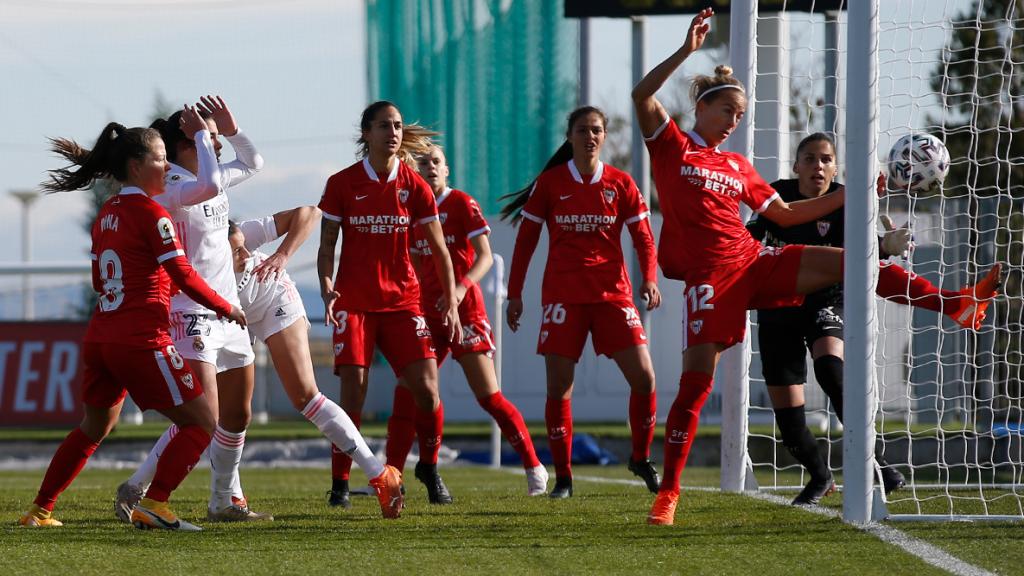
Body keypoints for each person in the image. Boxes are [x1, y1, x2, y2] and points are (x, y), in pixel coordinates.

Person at [632, 8, 1001, 525]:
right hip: (709, 280)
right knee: (695, 386)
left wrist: (853, 194)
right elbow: (641, 97)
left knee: (854, 263)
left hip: (751, 260)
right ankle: (668, 492)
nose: (735, 121)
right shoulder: (672, 146)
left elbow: (783, 213)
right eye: (728, 112)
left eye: (740, 115)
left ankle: (954, 304)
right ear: (703, 106)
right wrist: (687, 51)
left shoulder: (737, 167)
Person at [19, 110, 246, 531]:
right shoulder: (152, 214)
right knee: (201, 423)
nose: (167, 166)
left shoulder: (106, 212)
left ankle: (40, 510)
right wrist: (225, 305)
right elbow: (183, 275)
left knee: (93, 426)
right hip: (140, 340)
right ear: (137, 167)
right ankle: (155, 503)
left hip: (101, 338)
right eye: (160, 159)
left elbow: (96, 278)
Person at [114, 96, 271, 524]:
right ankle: (151, 495)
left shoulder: (208, 171)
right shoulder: (169, 182)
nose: (217, 145)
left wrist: (231, 130)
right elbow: (209, 188)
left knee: (237, 415)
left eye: (217, 140)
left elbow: (254, 162)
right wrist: (205, 135)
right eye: (210, 140)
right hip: (191, 312)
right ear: (185, 141)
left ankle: (223, 500)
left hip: (229, 312)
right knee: (203, 417)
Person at [501, 106, 662, 499]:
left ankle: (640, 457)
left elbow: (643, 237)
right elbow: (526, 241)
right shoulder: (551, 184)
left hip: (613, 295)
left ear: (604, 136)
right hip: (564, 297)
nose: (589, 136)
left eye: (596, 130)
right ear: (569, 136)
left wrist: (650, 279)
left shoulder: (621, 183)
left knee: (644, 377)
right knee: (559, 388)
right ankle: (564, 479)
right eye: (582, 130)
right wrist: (515, 293)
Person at [747, 133, 910, 505]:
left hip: (825, 301)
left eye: (825, 159)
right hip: (778, 307)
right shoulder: (777, 194)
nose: (817, 166)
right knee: (789, 423)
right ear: (796, 165)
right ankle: (819, 476)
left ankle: (879, 463)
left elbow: (869, 251)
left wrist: (888, 244)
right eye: (809, 158)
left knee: (831, 370)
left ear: (834, 167)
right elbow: (749, 237)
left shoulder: (847, 200)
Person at [318, 101, 462, 510]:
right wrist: (328, 286)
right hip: (356, 304)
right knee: (354, 395)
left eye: (397, 126)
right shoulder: (342, 183)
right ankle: (340, 484)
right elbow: (328, 245)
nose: (393, 132)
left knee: (428, 390)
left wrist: (450, 300)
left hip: (403, 303)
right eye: (384, 126)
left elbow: (439, 249)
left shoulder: (414, 186)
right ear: (366, 134)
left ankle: (429, 469)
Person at [383, 144, 548, 502]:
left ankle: (534, 467)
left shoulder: (461, 204)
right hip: (425, 313)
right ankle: (391, 476)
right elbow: (410, 261)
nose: (429, 167)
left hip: (465, 312)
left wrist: (458, 290)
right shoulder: (410, 208)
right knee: (408, 392)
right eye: (423, 163)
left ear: (447, 171)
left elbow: (486, 257)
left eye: (436, 162)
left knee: (489, 396)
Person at [222, 207, 404, 518]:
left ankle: (379, 473)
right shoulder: (187, 246)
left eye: (244, 247)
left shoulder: (231, 228)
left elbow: (309, 213)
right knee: (222, 412)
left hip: (272, 300)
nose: (244, 253)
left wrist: (281, 255)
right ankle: (227, 498)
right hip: (230, 316)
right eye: (236, 250)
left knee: (305, 396)